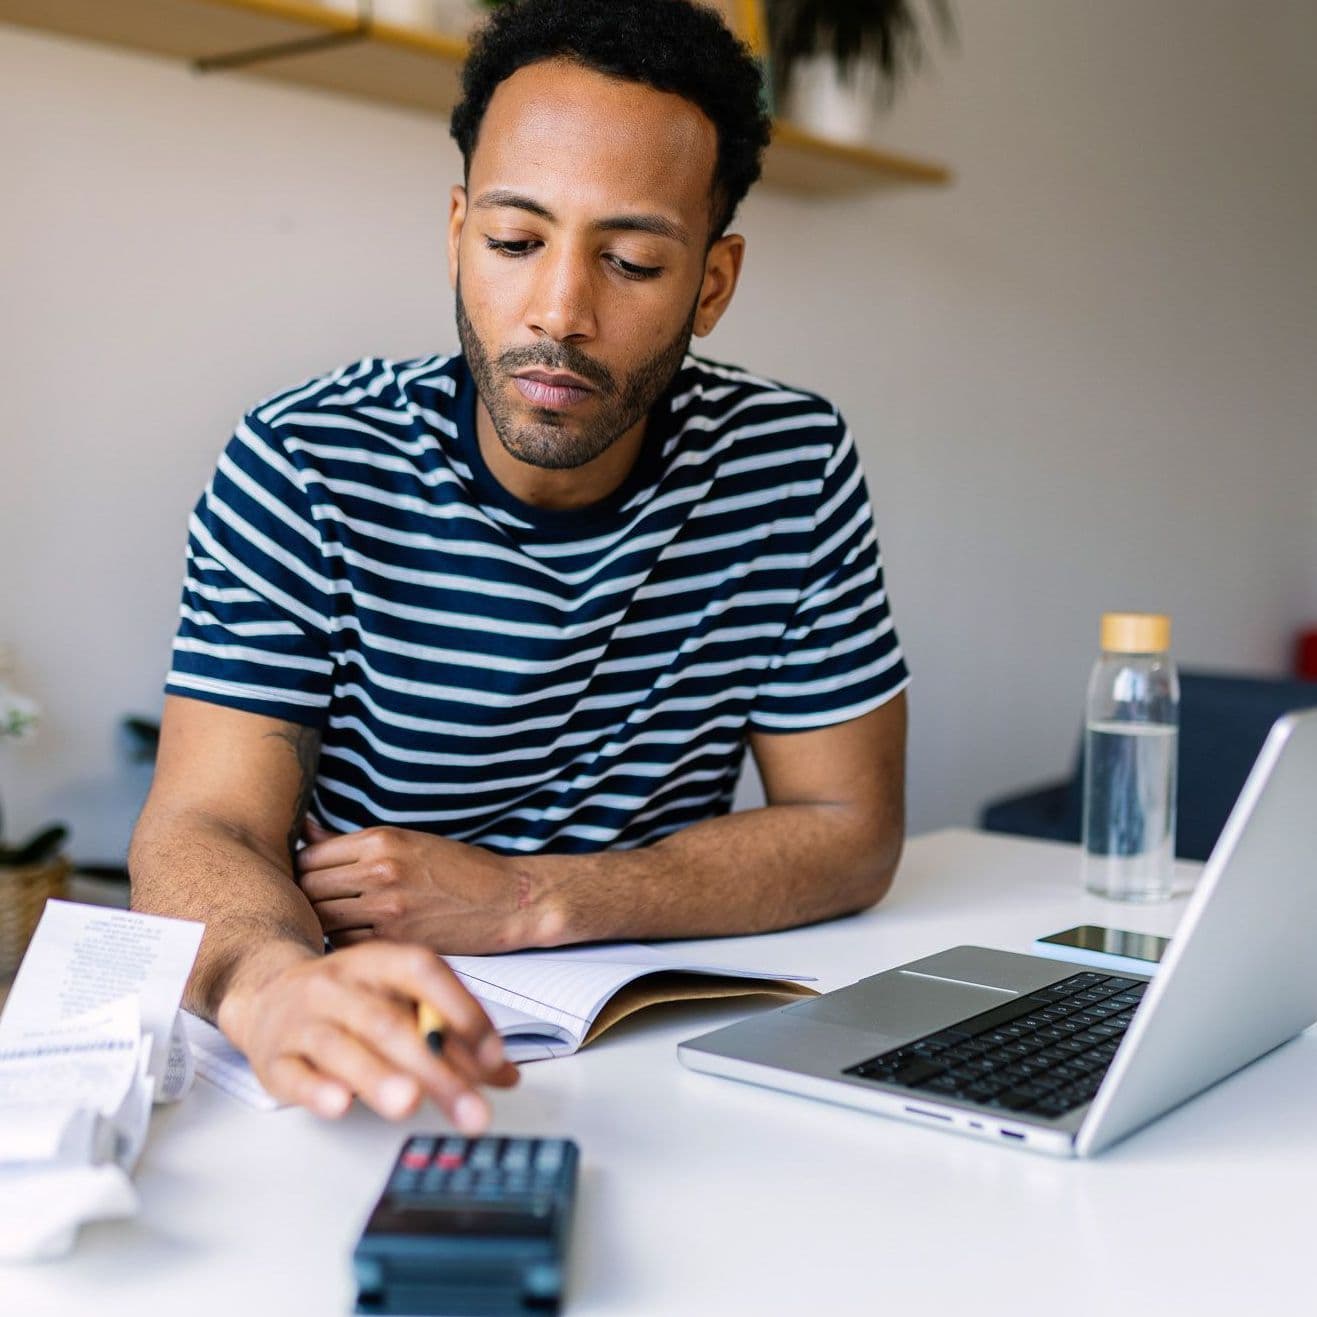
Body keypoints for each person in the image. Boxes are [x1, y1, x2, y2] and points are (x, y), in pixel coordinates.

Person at [130, 0, 910, 1132]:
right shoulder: (303, 460)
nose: (559, 312)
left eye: (633, 261)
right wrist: (273, 984)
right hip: (370, 1044)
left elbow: (850, 829)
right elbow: (207, 825)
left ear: (713, 283)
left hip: (660, 1044)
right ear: (456, 233)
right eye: (513, 242)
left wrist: (531, 900)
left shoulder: (788, 462)